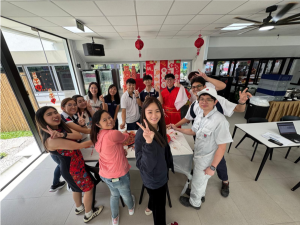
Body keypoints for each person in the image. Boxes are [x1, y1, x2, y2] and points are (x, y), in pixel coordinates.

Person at [171, 76, 252, 197]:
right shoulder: (195, 104)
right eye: (194, 87)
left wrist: (242, 102)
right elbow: (187, 118)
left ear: (205, 86)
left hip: (215, 139)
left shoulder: (217, 100)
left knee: (219, 161)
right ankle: (199, 183)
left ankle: (225, 181)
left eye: (199, 86)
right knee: (200, 165)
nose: (196, 89)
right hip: (200, 135)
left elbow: (238, 109)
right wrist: (174, 127)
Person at [35, 106, 103, 223]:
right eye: (49, 114)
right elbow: (79, 145)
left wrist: (63, 134)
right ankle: (89, 213)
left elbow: (78, 136)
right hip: (73, 169)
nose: (55, 115)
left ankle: (79, 207)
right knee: (89, 188)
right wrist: (102, 137)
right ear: (42, 120)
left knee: (76, 189)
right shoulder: (50, 140)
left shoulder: (61, 128)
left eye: (55, 112)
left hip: (74, 165)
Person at [170, 88, 233, 210]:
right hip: (199, 153)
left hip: (208, 158)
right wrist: (177, 128)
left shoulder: (220, 120)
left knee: (198, 181)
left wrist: (213, 167)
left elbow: (222, 147)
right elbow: (193, 131)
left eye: (208, 100)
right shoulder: (200, 115)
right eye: (201, 99)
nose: (204, 102)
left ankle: (195, 202)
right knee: (201, 180)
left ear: (215, 102)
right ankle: (200, 195)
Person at [135, 97, 177, 225]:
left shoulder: (160, 126)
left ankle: (149, 207)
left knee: (155, 199)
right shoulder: (141, 135)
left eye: (157, 111)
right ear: (144, 113)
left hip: (161, 173)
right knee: (160, 211)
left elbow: (164, 149)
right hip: (154, 179)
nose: (154, 115)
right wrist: (149, 142)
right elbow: (144, 166)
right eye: (150, 112)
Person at [90, 110, 135, 225]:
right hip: (119, 173)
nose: (110, 121)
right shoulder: (113, 133)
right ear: (98, 124)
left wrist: (120, 151)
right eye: (104, 120)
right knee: (126, 194)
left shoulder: (96, 135)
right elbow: (125, 137)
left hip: (105, 174)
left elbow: (109, 149)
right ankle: (131, 208)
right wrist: (124, 132)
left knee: (114, 195)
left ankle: (114, 218)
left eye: (109, 117)